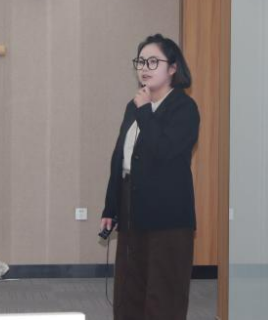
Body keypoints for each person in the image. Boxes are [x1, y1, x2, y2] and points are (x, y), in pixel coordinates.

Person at [100, 34, 200, 320]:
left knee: (163, 291)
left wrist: (146, 110)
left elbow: (163, 151)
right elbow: (120, 158)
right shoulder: (133, 106)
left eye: (153, 61)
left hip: (168, 215)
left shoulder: (184, 108)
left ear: (173, 68)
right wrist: (110, 207)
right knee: (130, 287)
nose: (144, 68)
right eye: (141, 61)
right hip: (132, 207)